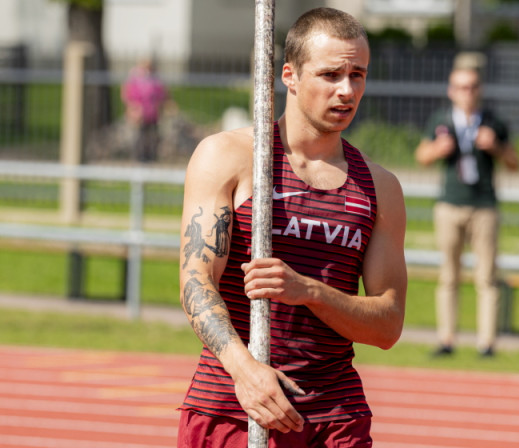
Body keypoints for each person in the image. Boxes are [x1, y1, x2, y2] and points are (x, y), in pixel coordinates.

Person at [177, 8, 407, 447]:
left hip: (334, 417)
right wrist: (248, 374)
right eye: (330, 74)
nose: (346, 90)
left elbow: (388, 324)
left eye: (358, 74)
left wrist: (311, 291)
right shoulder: (228, 157)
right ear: (290, 75)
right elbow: (195, 281)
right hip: (232, 408)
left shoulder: (379, 187)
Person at [414, 53, 519, 358]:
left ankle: (487, 343)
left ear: (480, 89)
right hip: (449, 205)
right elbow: (421, 156)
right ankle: (446, 339)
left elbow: (515, 162)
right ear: (451, 90)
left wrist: (496, 147)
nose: (467, 92)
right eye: (460, 87)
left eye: (472, 86)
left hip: (484, 205)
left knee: (486, 276)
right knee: (449, 275)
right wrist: (437, 149)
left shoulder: (493, 122)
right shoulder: (441, 121)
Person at [121, 58, 168, 162]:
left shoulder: (155, 79)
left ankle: (151, 156)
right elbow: (128, 94)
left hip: (153, 113)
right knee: (139, 136)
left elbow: (162, 94)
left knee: (152, 135)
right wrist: (133, 107)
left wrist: (160, 106)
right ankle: (139, 157)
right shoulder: (135, 78)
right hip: (139, 113)